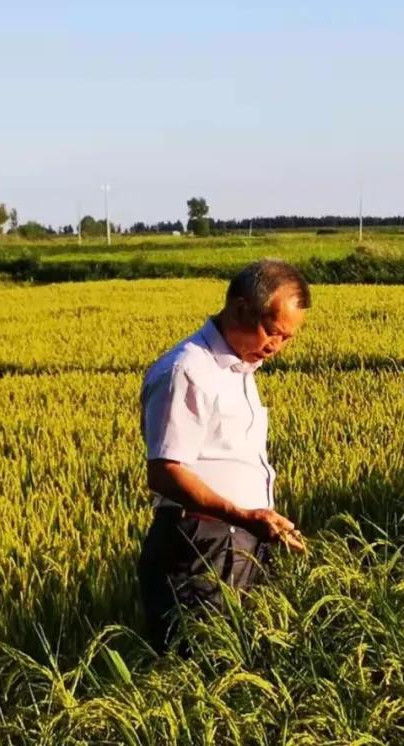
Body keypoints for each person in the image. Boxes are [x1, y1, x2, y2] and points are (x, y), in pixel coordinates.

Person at [137, 259, 310, 654]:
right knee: (204, 663)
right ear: (240, 308)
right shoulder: (187, 370)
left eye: (287, 339)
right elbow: (164, 472)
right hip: (200, 546)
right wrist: (244, 516)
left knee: (246, 658)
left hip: (241, 540)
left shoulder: (239, 371)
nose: (276, 347)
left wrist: (257, 521)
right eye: (272, 332)